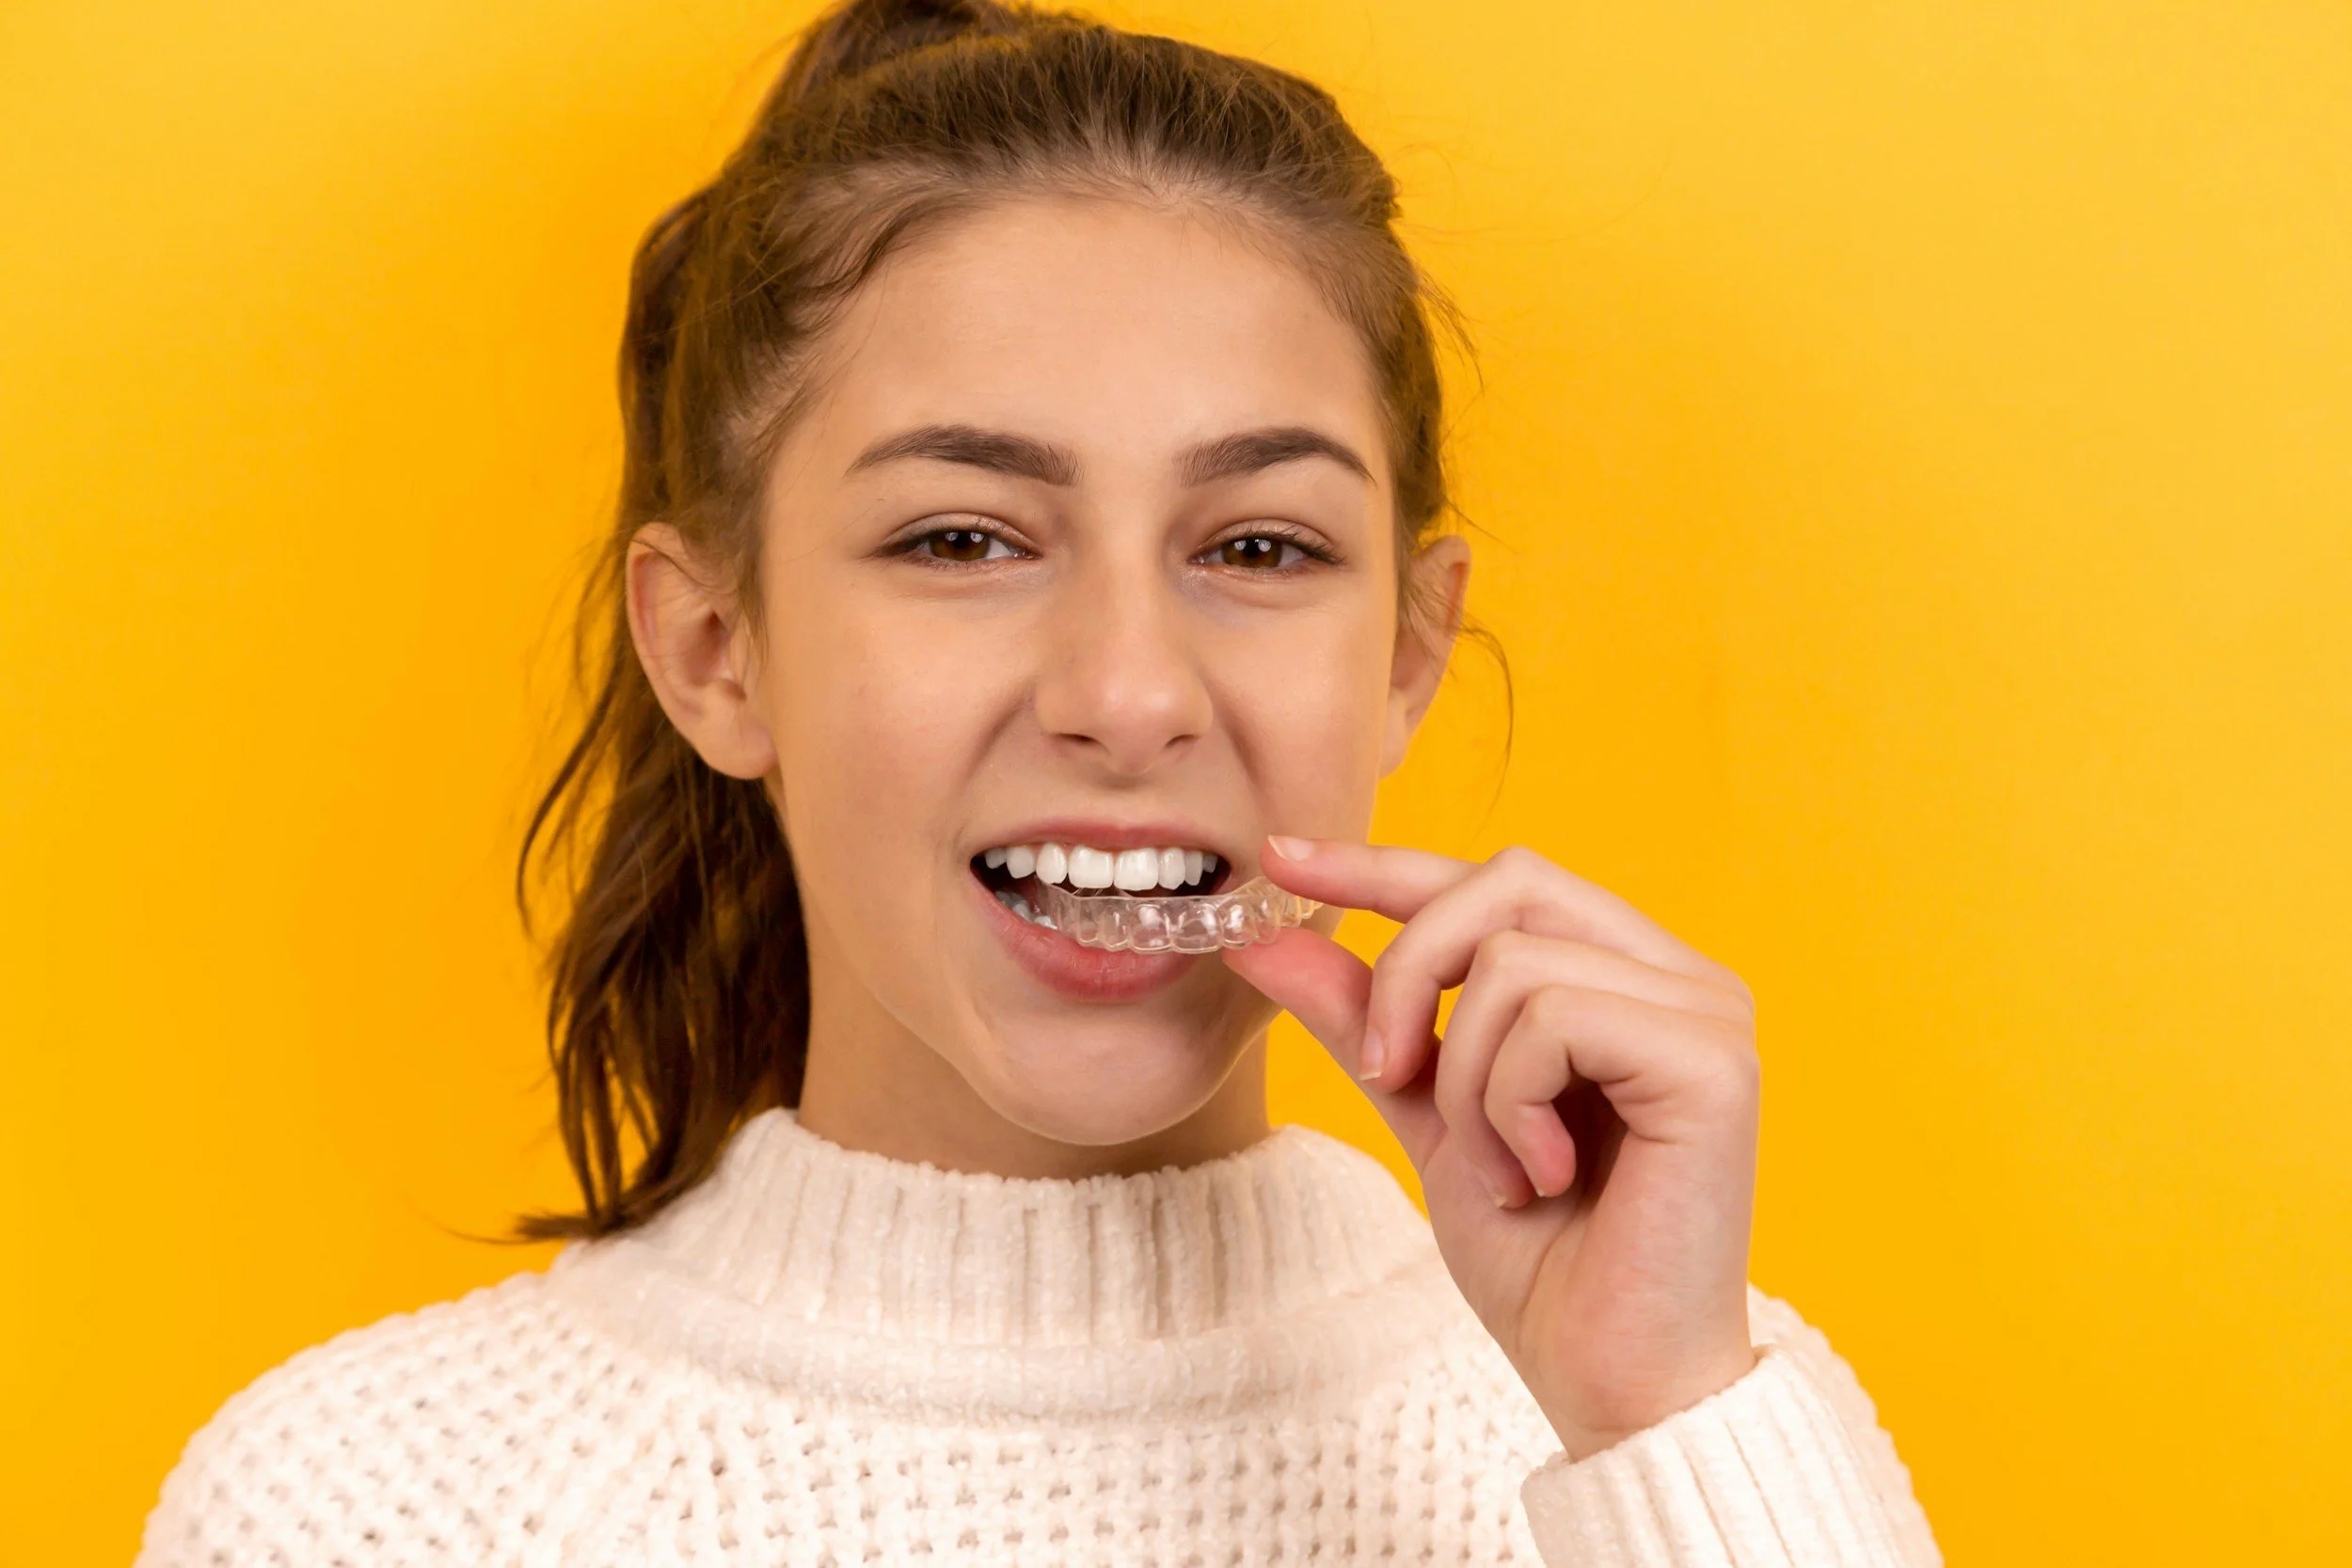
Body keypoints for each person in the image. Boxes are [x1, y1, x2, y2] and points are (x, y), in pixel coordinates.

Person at [136, 2, 1940, 1561]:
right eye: (964, 534)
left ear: (1407, 648)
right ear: (713, 651)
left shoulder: (1704, 1441)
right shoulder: (369, 1510)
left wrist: (1657, 1426)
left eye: (1255, 546)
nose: (1131, 691)